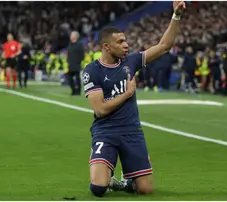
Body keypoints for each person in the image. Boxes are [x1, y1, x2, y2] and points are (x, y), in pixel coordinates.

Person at [82, 1, 186, 197]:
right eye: (120, 42)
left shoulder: (131, 61)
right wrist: (127, 94)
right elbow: (100, 110)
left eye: (125, 40)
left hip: (131, 131)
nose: (126, 45)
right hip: (106, 132)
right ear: (106, 46)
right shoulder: (92, 71)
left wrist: (176, 16)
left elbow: (164, 46)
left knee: (145, 190)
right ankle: (104, 164)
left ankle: (127, 179)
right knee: (98, 188)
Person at [67, 31, 84, 96]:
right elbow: (69, 54)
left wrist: (78, 61)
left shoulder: (79, 44)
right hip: (70, 64)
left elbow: (82, 55)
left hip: (76, 64)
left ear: (75, 36)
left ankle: (78, 92)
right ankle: (73, 90)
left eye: (71, 35)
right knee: (69, 78)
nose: (70, 36)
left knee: (77, 78)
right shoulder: (70, 44)